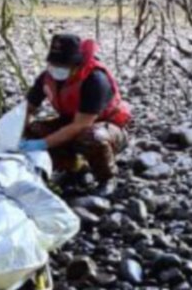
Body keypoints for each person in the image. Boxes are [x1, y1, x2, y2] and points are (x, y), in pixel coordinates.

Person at [19, 34, 131, 196]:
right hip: (72, 122)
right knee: (35, 129)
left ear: (77, 64)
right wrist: (20, 135)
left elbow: (81, 125)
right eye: (53, 63)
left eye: (63, 64)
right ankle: (74, 169)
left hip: (108, 127)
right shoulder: (46, 78)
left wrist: (42, 144)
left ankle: (107, 177)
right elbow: (27, 109)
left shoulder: (95, 80)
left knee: (91, 136)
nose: (56, 68)